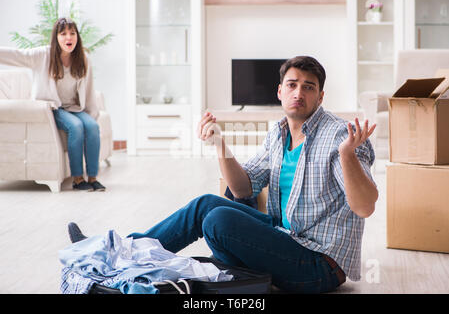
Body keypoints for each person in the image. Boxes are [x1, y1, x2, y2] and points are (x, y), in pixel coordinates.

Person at [70, 56, 377, 293]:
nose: (299, 92)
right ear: (280, 91)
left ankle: (121, 257)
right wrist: (219, 143)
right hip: (285, 238)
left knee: (219, 220)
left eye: (308, 87)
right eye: (293, 84)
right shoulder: (278, 133)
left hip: (319, 264)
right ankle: (119, 251)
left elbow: (365, 206)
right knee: (207, 205)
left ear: (320, 96)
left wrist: (347, 155)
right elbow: (243, 189)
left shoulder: (339, 136)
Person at [0, 17, 105, 191]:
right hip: (53, 107)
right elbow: (15, 55)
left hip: (74, 107)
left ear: (77, 37)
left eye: (72, 33)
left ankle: (93, 177)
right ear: (56, 37)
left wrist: (91, 113)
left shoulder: (83, 58)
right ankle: (78, 179)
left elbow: (89, 89)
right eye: (63, 34)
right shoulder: (42, 55)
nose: (68, 38)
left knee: (92, 126)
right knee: (76, 127)